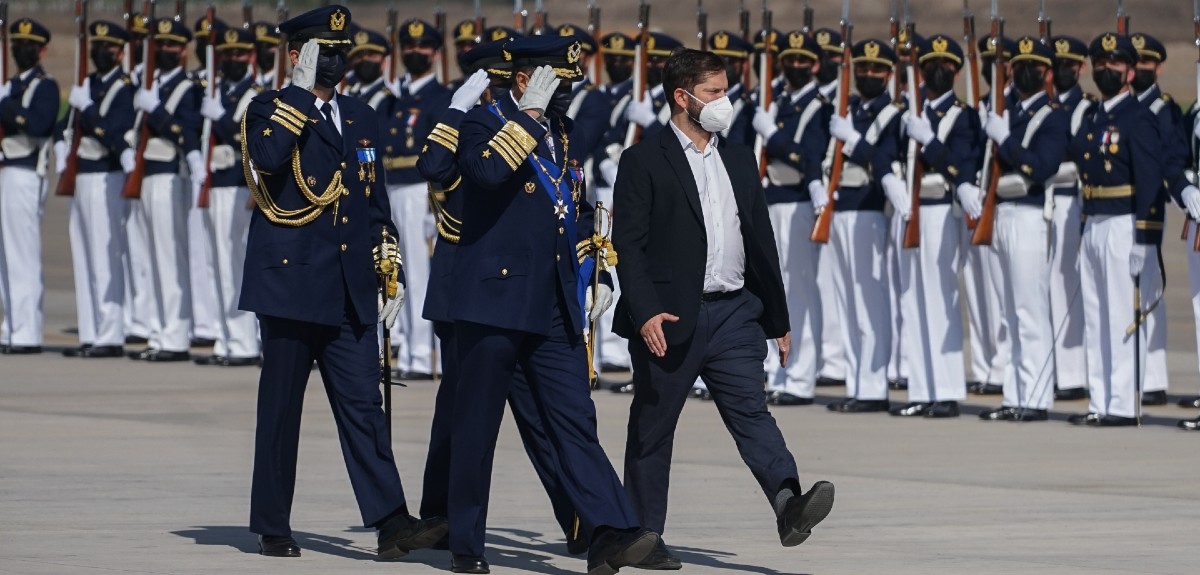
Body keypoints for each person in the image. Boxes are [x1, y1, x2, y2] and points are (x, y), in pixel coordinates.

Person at [613, 47, 835, 568]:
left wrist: (776, 320)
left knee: (751, 413)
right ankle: (642, 534)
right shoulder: (643, 160)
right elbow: (628, 243)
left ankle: (788, 503)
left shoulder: (736, 157)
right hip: (669, 317)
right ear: (682, 98)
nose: (724, 102)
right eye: (714, 93)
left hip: (735, 312)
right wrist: (644, 311)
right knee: (653, 427)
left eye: (725, 91)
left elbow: (760, 242)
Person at [447, 34, 658, 575]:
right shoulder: (483, 121)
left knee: (573, 420)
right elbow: (488, 173)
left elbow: (575, 210)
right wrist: (531, 115)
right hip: (493, 303)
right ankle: (466, 542)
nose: (568, 94)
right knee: (477, 428)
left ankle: (610, 530)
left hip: (553, 301)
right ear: (524, 80)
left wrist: (598, 269)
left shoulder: (560, 133)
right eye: (557, 83)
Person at [240, 4, 445, 557]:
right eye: (322, 52)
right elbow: (268, 158)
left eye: (339, 52)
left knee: (364, 407)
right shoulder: (267, 107)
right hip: (290, 285)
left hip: (350, 287)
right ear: (296, 55)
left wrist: (391, 261)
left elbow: (373, 199)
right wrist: (301, 96)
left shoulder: (361, 116)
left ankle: (391, 522)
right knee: (281, 409)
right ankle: (273, 524)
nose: (334, 60)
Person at [415, 39, 587, 557]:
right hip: (464, 286)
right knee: (460, 416)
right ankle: (442, 515)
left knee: (539, 413)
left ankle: (577, 518)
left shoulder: (541, 128)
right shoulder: (472, 122)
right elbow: (434, 167)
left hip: (522, 289)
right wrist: (453, 108)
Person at [1067, 33, 1163, 427]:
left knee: (1122, 315)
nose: (1107, 70)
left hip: (1124, 223)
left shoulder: (1138, 118)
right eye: (1101, 64)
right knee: (1095, 315)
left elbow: (1151, 181)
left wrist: (1145, 236)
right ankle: (1100, 400)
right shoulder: (1093, 116)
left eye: (1115, 64)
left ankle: (1123, 404)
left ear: (1129, 70)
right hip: (1095, 222)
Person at [975, 37, 1068, 422]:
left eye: (1033, 65)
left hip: (1031, 215)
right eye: (1019, 64)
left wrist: (1005, 139)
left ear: (1047, 73)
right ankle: (1015, 393)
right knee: (1010, 311)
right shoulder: (1004, 109)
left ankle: (1036, 397)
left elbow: (1040, 166)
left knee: (1029, 309)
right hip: (1002, 214)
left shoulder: (1052, 115)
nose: (1024, 71)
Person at [891, 34, 980, 418]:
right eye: (931, 66)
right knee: (913, 300)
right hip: (909, 209)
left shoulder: (963, 116)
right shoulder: (909, 111)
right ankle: (922, 387)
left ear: (957, 72)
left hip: (941, 210)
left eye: (945, 66)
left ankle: (945, 390)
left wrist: (929, 142)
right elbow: (887, 155)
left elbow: (963, 164)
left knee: (940, 299)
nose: (938, 72)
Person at [823, 39, 906, 413]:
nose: (869, 75)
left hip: (871, 211)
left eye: (877, 70)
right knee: (848, 303)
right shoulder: (848, 108)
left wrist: (854, 141)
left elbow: (886, 159)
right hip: (840, 211)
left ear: (889, 74)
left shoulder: (894, 116)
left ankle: (873, 386)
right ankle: (857, 383)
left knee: (870, 302)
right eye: (864, 69)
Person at [750, 31, 830, 406]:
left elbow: (807, 154)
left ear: (815, 65)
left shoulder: (821, 106)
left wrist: (774, 135)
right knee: (768, 288)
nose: (795, 67)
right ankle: (772, 369)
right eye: (789, 60)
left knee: (799, 292)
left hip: (799, 202)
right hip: (771, 201)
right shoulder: (775, 101)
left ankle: (800, 376)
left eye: (802, 61)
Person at [57, 20, 136, 359]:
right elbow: (66, 128)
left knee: (106, 256)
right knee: (84, 254)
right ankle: (90, 332)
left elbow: (113, 134)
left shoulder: (126, 88)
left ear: (120, 52)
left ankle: (110, 333)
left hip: (108, 176)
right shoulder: (87, 83)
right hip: (83, 177)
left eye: (109, 47)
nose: (102, 52)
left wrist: (87, 109)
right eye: (97, 46)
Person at [382, 18, 450, 381]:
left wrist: (433, 202)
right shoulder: (396, 99)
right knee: (397, 272)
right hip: (393, 186)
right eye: (408, 48)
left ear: (435, 53)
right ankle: (406, 348)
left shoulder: (440, 98)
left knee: (420, 275)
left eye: (422, 48)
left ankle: (423, 354)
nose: (414, 53)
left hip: (418, 191)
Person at [193, 27, 263, 366]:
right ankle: (225, 339)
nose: (233, 60)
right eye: (228, 55)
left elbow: (245, 135)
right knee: (217, 264)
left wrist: (217, 116)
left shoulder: (255, 94)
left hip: (239, 186)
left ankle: (244, 340)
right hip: (216, 185)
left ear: (250, 56)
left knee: (236, 265)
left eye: (239, 54)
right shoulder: (216, 91)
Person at [0, 17, 59, 354]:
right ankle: (11, 327)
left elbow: (38, 124)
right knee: (6, 257)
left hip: (26, 173)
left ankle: (26, 332)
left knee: (22, 254)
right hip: (8, 170)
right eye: (16, 44)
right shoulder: (11, 85)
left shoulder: (45, 86)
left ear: (41, 51)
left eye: (28, 45)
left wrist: (6, 105)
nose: (20, 50)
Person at [1129, 32, 1180, 407]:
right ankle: (1131, 372)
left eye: (1147, 64)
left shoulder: (1163, 109)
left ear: (1157, 68)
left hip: (1148, 209)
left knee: (1149, 291)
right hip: (1117, 210)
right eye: (1136, 64)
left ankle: (1155, 379)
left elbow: (1169, 158)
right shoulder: (1123, 106)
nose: (1140, 70)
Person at [1047, 35, 1094, 402]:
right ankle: (1050, 368)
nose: (1062, 71)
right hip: (1039, 204)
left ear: (1079, 68)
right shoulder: (1040, 105)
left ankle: (1073, 373)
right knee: (1041, 288)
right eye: (1056, 64)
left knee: (1066, 288)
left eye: (1068, 64)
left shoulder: (1085, 109)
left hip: (1067, 202)